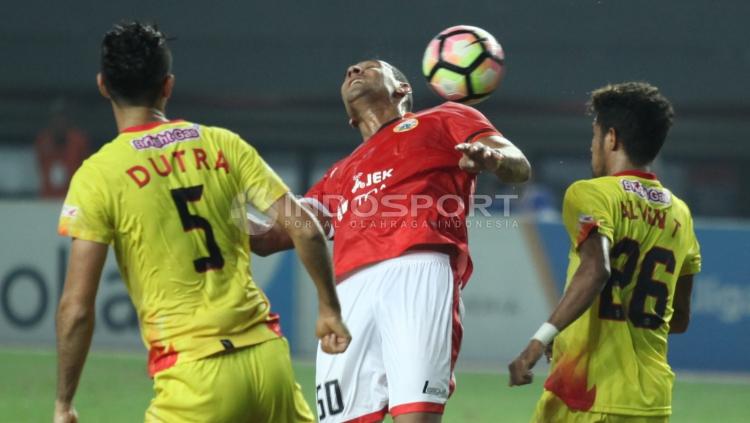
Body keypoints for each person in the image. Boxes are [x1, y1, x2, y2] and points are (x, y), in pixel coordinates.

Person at [54, 22, 351, 423]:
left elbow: (76, 309)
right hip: (268, 361)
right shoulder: (220, 143)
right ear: (168, 85)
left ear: (103, 85)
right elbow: (303, 227)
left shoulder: (99, 175)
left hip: (194, 377)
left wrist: (63, 403)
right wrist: (329, 309)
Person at [252, 59, 531, 422]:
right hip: (348, 294)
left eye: (368, 67)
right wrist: (213, 215)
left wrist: (492, 157)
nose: (352, 70)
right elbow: (274, 235)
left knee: (415, 415)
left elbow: (519, 166)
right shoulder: (337, 174)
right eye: (347, 71)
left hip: (418, 270)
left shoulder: (444, 117)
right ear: (349, 117)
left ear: (402, 89)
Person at [508, 82, 701, 423]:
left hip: (586, 397)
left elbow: (597, 270)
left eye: (594, 136)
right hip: (651, 403)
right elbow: (680, 318)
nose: (592, 146)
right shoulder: (680, 213)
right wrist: (574, 329)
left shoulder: (590, 194)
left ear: (611, 138)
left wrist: (540, 341)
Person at [34, 99, 89, 198]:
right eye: (56, 118)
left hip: (72, 198)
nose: (59, 123)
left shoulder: (79, 142)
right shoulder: (42, 142)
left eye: (62, 119)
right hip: (47, 199)